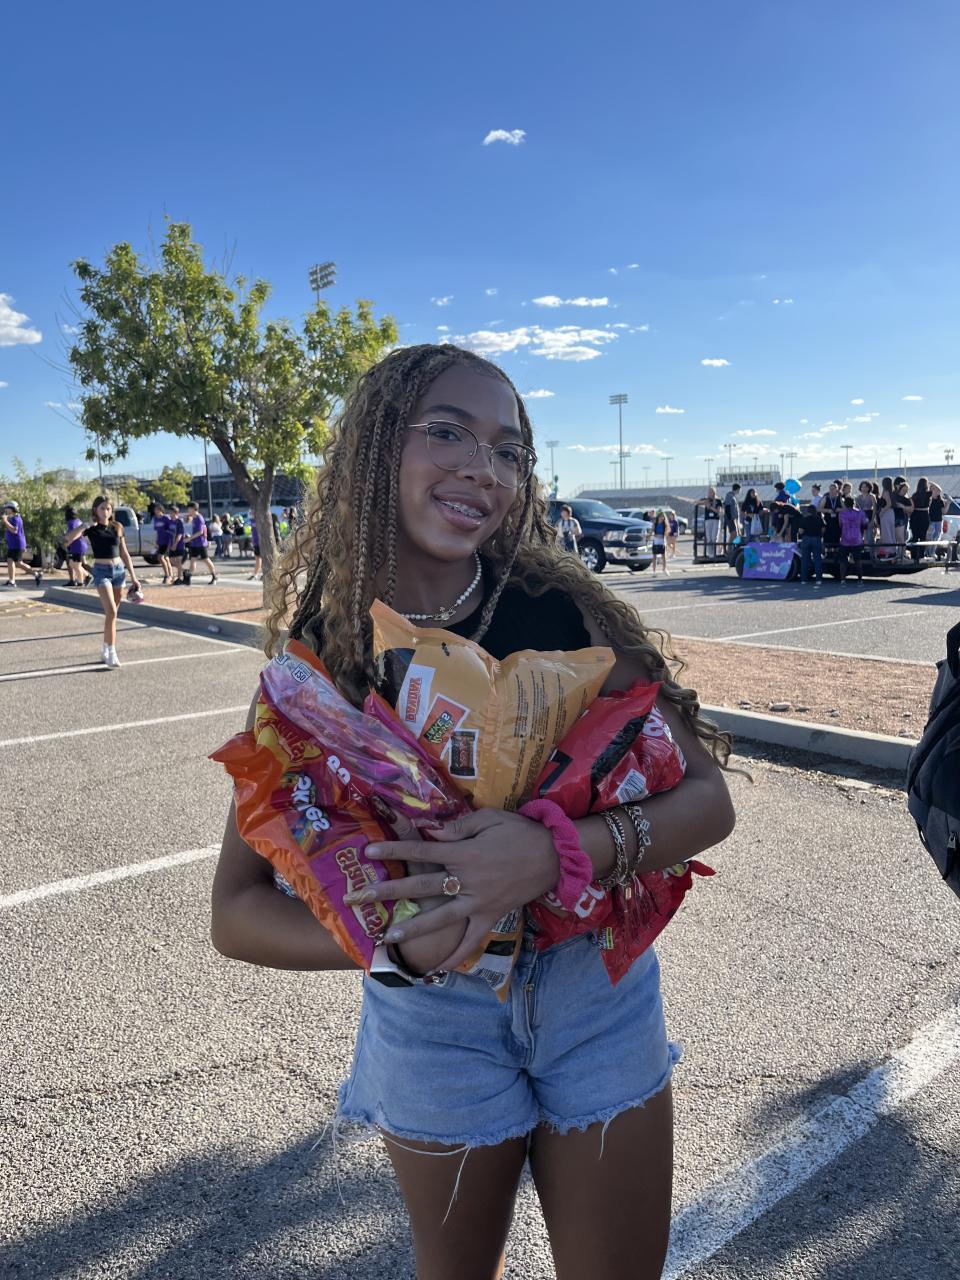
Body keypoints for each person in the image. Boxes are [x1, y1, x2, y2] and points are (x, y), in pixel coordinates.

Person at [210, 344, 736, 1280]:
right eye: (448, 433)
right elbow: (237, 913)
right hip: (433, 1020)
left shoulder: (562, 611)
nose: (483, 469)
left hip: (594, 994)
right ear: (378, 448)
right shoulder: (324, 660)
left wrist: (555, 851)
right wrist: (396, 943)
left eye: (508, 451)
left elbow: (708, 799)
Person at [63, 496, 141, 667]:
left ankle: (106, 647)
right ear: (95, 510)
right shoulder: (91, 528)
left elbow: (124, 553)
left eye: (108, 508)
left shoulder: (117, 527)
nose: (105, 512)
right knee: (111, 611)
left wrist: (134, 577)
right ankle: (112, 652)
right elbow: (68, 539)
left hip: (119, 571)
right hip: (101, 571)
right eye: (102, 508)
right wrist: (85, 525)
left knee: (112, 615)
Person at [2, 501, 42, 588]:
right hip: (13, 544)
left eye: (7, 508)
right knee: (15, 562)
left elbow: (14, 530)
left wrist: (5, 521)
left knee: (13, 561)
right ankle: (35, 574)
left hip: (17, 544)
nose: (6, 510)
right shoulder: (12, 518)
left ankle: (12, 581)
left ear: (12, 509)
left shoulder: (16, 518)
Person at [185, 502, 218, 584]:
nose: (188, 510)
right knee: (192, 560)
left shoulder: (199, 518)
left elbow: (200, 532)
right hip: (194, 543)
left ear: (193, 509)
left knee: (206, 559)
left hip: (201, 543)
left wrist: (189, 538)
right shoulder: (193, 518)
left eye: (189, 508)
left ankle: (214, 576)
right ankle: (188, 577)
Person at [837, 496, 867, 584]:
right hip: (857, 538)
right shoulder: (860, 513)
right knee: (858, 560)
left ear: (845, 504)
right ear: (854, 503)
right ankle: (860, 579)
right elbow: (865, 523)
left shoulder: (842, 514)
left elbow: (840, 525)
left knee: (843, 560)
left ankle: (843, 579)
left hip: (845, 539)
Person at [63, 505, 93, 587]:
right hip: (80, 546)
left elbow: (73, 535)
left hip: (77, 546)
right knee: (72, 563)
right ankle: (87, 576)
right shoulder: (78, 521)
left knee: (76, 565)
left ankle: (81, 582)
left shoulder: (71, 523)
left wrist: (67, 542)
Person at [798, 502, 825, 585]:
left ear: (808, 511)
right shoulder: (819, 519)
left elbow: (801, 531)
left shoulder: (804, 519)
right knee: (817, 560)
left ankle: (804, 580)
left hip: (806, 539)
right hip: (817, 539)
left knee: (805, 560)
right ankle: (818, 580)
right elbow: (823, 529)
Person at [150, 502, 174, 584]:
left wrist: (171, 542)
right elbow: (157, 531)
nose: (155, 511)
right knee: (166, 559)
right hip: (160, 541)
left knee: (160, 557)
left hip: (166, 541)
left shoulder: (166, 518)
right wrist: (156, 541)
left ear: (161, 510)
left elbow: (170, 530)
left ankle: (167, 575)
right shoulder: (155, 519)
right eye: (155, 510)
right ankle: (170, 575)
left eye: (157, 509)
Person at [909, 477, 931, 562]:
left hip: (915, 516)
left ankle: (914, 555)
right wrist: (931, 483)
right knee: (923, 536)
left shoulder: (914, 495)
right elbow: (938, 490)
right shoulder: (928, 494)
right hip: (924, 516)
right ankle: (921, 555)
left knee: (915, 536)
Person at [856, 481, 877, 558]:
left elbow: (874, 509)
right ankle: (859, 555)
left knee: (870, 537)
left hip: (869, 515)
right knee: (859, 536)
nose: (864, 488)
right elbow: (856, 509)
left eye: (866, 487)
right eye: (862, 487)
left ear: (869, 488)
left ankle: (872, 555)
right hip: (861, 517)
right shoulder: (858, 497)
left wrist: (872, 520)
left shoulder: (872, 496)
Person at [876, 477, 897, 559]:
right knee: (890, 532)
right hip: (891, 513)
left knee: (886, 532)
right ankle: (892, 550)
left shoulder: (886, 492)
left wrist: (882, 512)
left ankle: (889, 551)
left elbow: (889, 504)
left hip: (886, 513)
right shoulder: (892, 492)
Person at [820, 482, 843, 553]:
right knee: (827, 539)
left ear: (837, 490)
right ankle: (828, 554)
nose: (831, 491)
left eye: (833, 489)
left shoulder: (840, 498)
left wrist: (839, 510)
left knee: (837, 539)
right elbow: (819, 509)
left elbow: (846, 509)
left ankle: (837, 554)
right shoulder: (826, 498)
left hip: (837, 522)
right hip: (828, 521)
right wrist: (828, 510)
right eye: (830, 489)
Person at [168, 505, 187, 584]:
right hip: (171, 544)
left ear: (175, 513)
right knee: (171, 561)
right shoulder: (169, 522)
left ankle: (179, 578)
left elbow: (180, 534)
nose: (170, 514)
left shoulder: (179, 522)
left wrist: (175, 544)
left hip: (179, 545)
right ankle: (184, 571)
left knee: (178, 561)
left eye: (171, 512)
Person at [701, 486, 721, 558]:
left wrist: (711, 507)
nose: (709, 493)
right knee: (709, 538)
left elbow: (718, 511)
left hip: (715, 520)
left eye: (711, 491)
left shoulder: (718, 500)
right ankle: (710, 553)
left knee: (713, 537)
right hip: (708, 520)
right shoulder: (706, 500)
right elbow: (697, 502)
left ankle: (715, 552)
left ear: (714, 492)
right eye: (709, 491)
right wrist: (703, 502)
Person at [651, 509, 669, 575]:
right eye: (661, 516)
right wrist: (648, 537)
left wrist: (666, 541)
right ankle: (654, 571)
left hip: (662, 540)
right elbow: (651, 531)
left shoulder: (665, 524)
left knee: (664, 556)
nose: (662, 518)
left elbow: (666, 533)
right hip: (656, 540)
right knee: (654, 556)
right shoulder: (655, 523)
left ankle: (664, 569)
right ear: (658, 517)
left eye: (663, 516)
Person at [247, 514, 262, 581]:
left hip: (260, 542)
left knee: (259, 559)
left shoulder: (259, 520)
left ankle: (256, 574)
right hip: (256, 542)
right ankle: (256, 574)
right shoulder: (252, 520)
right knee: (258, 559)